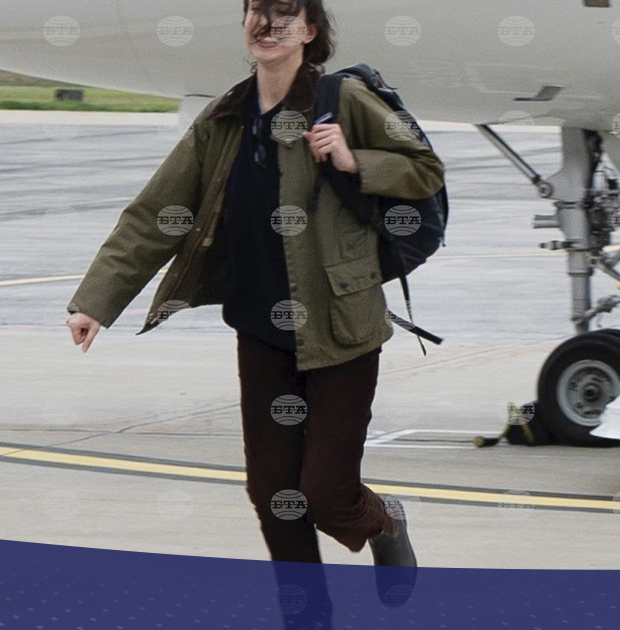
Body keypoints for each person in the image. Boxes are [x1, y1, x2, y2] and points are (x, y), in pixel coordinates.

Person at [65, 0, 444, 618]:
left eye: (285, 14)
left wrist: (356, 160)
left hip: (343, 327)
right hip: (262, 331)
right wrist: (97, 300)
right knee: (275, 496)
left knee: (325, 495)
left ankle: (384, 522)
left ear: (310, 31)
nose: (268, 25)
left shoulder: (345, 100)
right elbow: (157, 213)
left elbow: (424, 169)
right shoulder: (225, 118)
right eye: (257, 12)